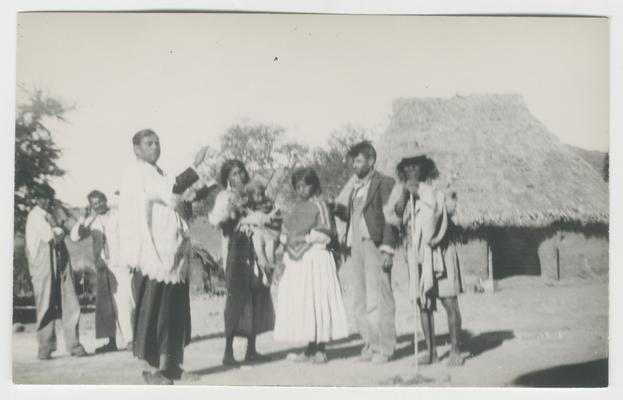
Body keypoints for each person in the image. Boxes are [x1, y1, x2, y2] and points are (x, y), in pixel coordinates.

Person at [119, 129, 213, 384]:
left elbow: (175, 197)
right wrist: (194, 164)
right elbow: (171, 193)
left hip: (173, 252)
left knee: (175, 310)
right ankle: (155, 369)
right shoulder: (138, 173)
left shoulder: (157, 172)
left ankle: (172, 366)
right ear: (136, 149)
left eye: (157, 142)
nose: (155, 147)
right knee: (158, 311)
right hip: (156, 254)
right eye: (148, 143)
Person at [387, 155, 464, 367]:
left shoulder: (436, 190)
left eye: (416, 165)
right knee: (423, 303)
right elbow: (399, 214)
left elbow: (443, 212)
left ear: (425, 167)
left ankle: (456, 350)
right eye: (407, 166)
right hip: (417, 255)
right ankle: (431, 352)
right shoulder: (404, 192)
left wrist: (421, 192)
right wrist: (406, 193)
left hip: (440, 253)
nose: (412, 169)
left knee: (449, 301)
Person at [332, 141, 399, 364]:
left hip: (375, 245)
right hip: (356, 246)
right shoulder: (354, 187)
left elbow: (391, 220)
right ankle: (369, 343)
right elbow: (353, 216)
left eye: (359, 161)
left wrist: (388, 249)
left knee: (378, 298)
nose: (354, 165)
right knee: (359, 300)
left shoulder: (384, 183)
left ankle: (385, 348)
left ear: (371, 161)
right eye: (353, 161)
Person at [274, 167, 348, 364]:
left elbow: (325, 233)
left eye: (305, 185)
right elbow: (286, 231)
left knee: (318, 302)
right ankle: (309, 348)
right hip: (299, 263)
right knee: (305, 303)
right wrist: (287, 240)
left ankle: (320, 349)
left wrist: (302, 238)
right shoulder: (296, 207)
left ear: (313, 185)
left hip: (317, 259)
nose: (301, 190)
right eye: (297, 186)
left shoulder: (321, 205)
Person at [208, 159, 275, 366]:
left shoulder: (254, 192)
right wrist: (231, 210)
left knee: (256, 295)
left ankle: (251, 349)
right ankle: (228, 352)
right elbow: (215, 221)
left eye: (242, 173)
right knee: (236, 298)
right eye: (235, 174)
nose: (241, 177)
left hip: (256, 249)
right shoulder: (224, 196)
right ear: (227, 178)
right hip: (235, 251)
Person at [25, 183, 89, 360]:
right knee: (45, 304)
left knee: (71, 301)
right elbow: (51, 236)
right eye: (41, 197)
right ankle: (45, 347)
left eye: (47, 197)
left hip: (60, 258)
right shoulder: (36, 216)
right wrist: (59, 228)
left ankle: (74, 345)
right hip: (43, 262)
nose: (45, 201)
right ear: (36, 199)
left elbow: (72, 233)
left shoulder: (51, 214)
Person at [70, 190, 133, 353]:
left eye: (99, 202)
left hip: (120, 264)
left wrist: (131, 260)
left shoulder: (118, 215)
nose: (97, 206)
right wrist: (84, 216)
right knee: (106, 305)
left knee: (124, 303)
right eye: (93, 204)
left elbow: (130, 237)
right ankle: (110, 341)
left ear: (105, 200)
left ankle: (130, 340)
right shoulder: (92, 221)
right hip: (103, 266)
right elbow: (75, 237)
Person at [244, 179, 282, 284]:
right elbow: (245, 218)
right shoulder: (248, 205)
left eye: (262, 194)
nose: (261, 198)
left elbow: (276, 214)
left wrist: (271, 216)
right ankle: (265, 270)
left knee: (270, 253)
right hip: (257, 231)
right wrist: (248, 226)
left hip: (269, 231)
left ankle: (270, 273)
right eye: (257, 196)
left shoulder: (269, 202)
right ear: (251, 196)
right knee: (260, 252)